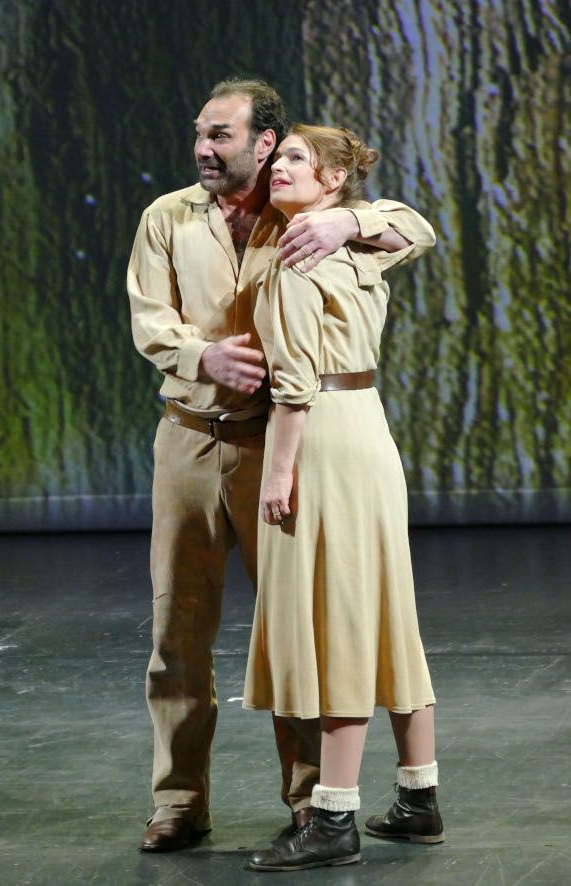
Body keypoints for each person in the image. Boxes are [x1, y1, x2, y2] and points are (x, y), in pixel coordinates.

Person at [127, 78, 400, 852]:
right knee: (177, 630)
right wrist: (200, 352)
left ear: (265, 143)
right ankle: (178, 801)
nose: (202, 149)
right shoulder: (168, 217)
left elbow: (409, 229)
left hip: (276, 446)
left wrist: (349, 217)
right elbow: (150, 318)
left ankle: (313, 801)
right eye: (200, 133)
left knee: (294, 629)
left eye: (219, 135)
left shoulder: (303, 218)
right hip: (186, 438)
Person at [242, 124, 443, 872]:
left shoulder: (301, 251)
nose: (277, 168)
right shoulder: (360, 243)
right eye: (278, 159)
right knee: (384, 609)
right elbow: (414, 229)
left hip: (323, 433)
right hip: (369, 430)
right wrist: (354, 221)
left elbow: (292, 385)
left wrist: (276, 473)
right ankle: (418, 798)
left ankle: (332, 817)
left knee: (339, 624)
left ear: (332, 179)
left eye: (295, 158)